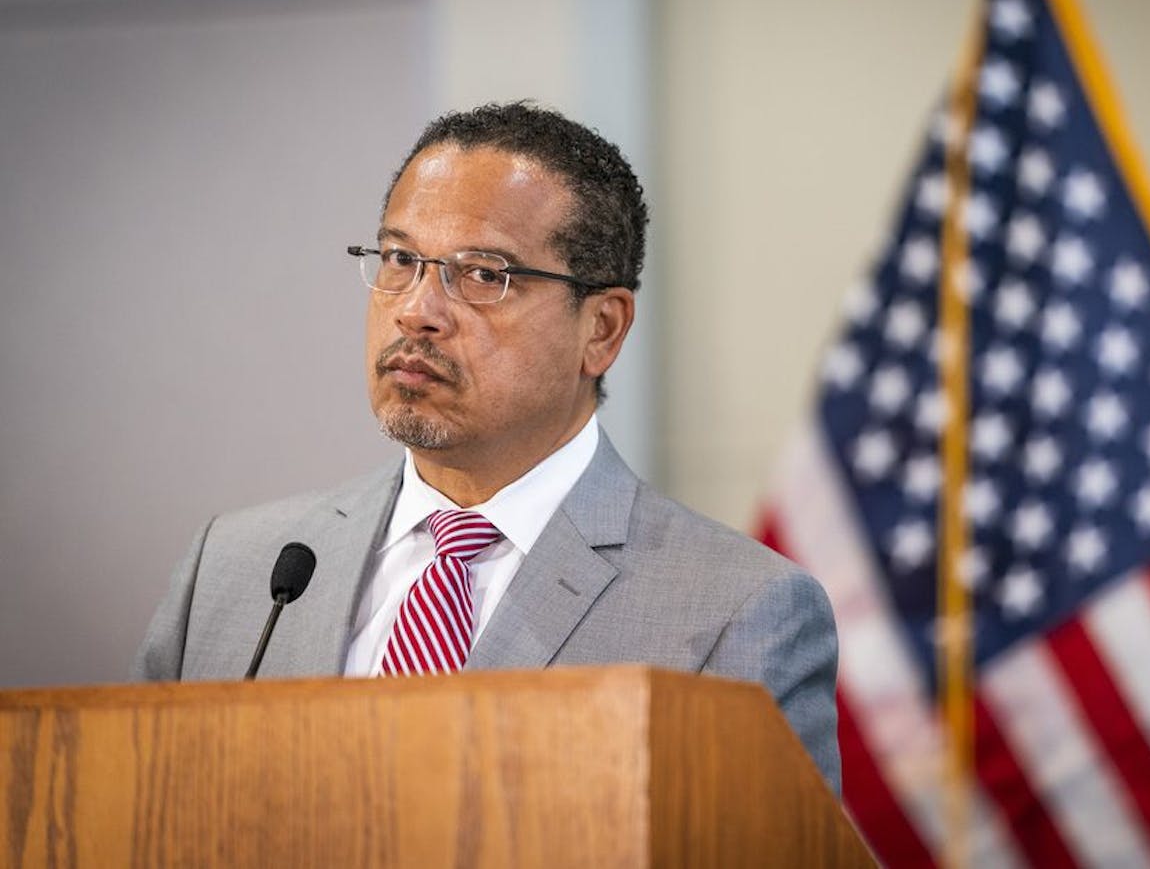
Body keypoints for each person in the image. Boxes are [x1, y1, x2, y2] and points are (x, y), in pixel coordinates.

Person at [133, 102, 840, 791]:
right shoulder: (237, 571)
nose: (416, 310)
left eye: (482, 275)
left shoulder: (737, 613)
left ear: (601, 329)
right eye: (400, 258)